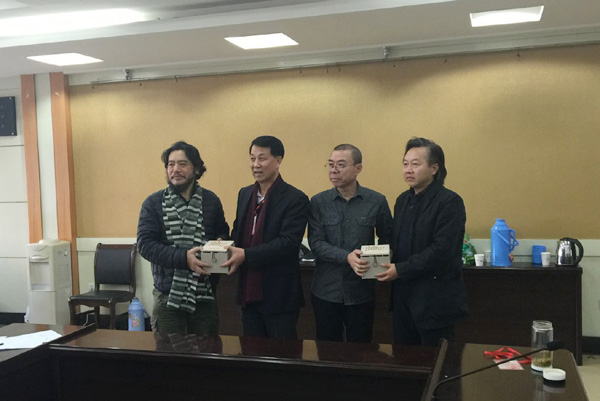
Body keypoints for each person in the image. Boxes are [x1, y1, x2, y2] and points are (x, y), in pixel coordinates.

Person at [377, 137, 468, 346]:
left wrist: (400, 269)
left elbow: (441, 250)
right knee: (404, 359)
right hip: (403, 299)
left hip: (434, 301)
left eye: (415, 164)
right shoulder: (402, 200)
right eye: (405, 164)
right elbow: (397, 241)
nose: (408, 170)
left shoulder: (450, 201)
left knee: (435, 361)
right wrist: (382, 255)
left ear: (434, 168)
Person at [137, 141, 230, 335]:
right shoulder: (153, 203)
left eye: (182, 164)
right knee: (168, 351)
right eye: (170, 164)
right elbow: (145, 245)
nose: (175, 169)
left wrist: (220, 241)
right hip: (167, 296)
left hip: (204, 294)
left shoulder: (211, 201)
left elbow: (222, 231)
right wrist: (184, 258)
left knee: (208, 349)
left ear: (196, 169)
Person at [222, 135, 309, 339]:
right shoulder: (245, 194)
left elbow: (288, 243)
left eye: (262, 158)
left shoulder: (295, 198)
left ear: (278, 161)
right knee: (251, 349)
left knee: (282, 352)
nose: (256, 165)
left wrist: (246, 255)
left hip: (280, 294)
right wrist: (225, 245)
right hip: (248, 290)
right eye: (252, 159)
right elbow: (239, 231)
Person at [308, 144, 392, 343]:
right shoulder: (318, 202)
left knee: (361, 350)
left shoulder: (376, 201)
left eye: (341, 165)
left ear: (358, 168)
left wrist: (378, 263)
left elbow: (388, 238)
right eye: (330, 165)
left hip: (361, 291)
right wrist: (346, 257)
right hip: (326, 290)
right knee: (327, 350)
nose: (333, 170)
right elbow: (316, 242)